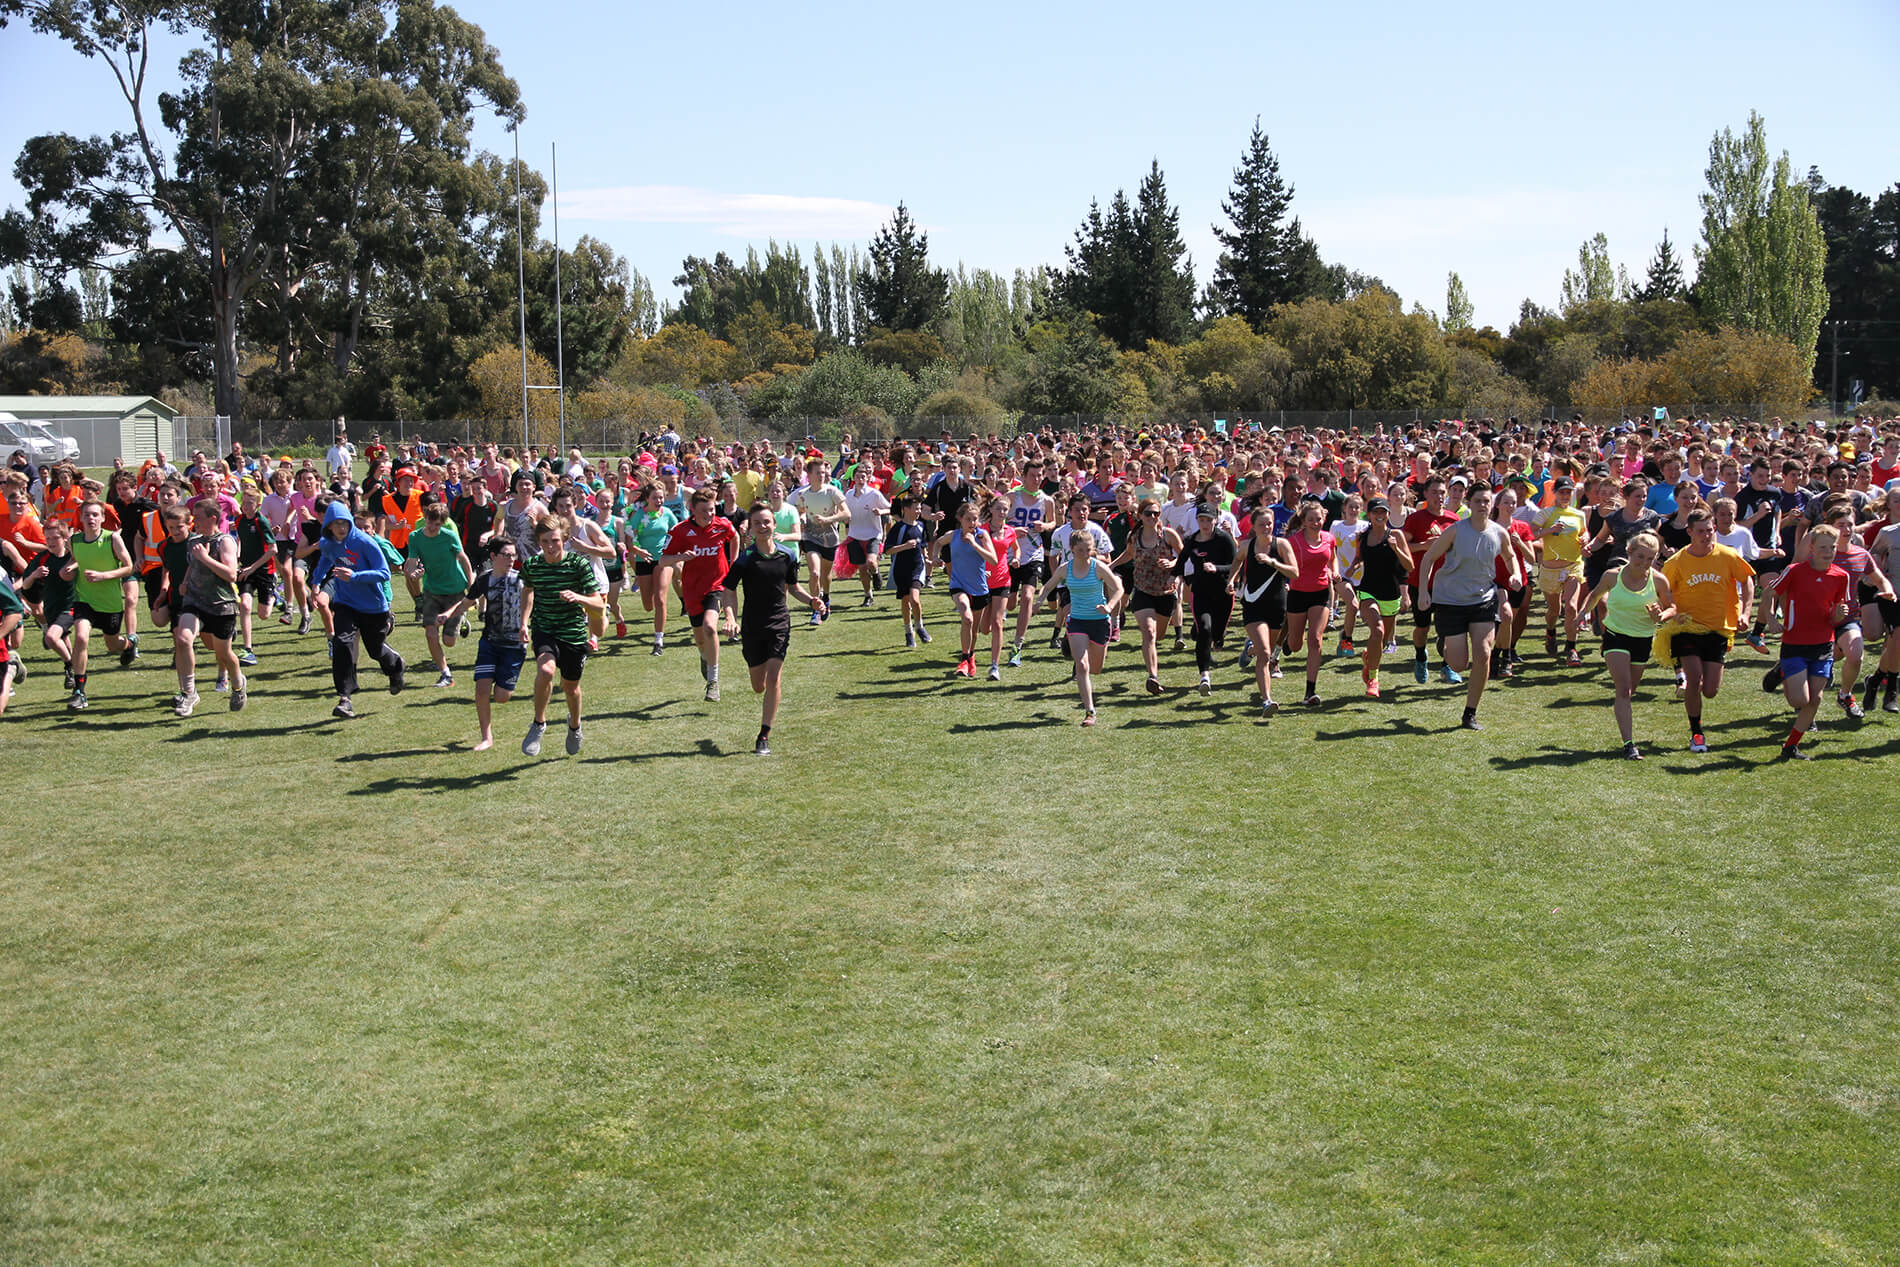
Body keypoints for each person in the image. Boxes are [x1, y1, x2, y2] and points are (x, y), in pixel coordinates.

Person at [724, 505, 826, 755]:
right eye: (757, 523)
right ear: (751, 526)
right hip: (752, 625)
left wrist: (811, 600)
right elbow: (728, 590)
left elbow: (792, 587)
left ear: (773, 524)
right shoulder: (745, 559)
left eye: (767, 522)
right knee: (758, 685)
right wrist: (729, 617)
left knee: (773, 678)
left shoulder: (787, 555)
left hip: (779, 622)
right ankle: (764, 724)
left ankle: (764, 734)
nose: (763, 526)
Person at [1415, 483, 1510, 730]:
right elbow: (1428, 558)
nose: (1483, 505)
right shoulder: (1456, 530)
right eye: (1478, 501)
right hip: (1450, 600)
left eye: (1487, 501)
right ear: (1469, 503)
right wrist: (1424, 592)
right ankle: (1444, 643)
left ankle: (1470, 713)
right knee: (1458, 664)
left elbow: (1509, 556)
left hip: (1482, 599)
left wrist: (1516, 574)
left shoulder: (1499, 532)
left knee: (1484, 654)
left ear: (1493, 504)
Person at [1660, 507, 1756, 753]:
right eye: (1700, 531)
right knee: (1694, 680)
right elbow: (1664, 589)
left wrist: (1745, 613)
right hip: (1687, 628)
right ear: (1689, 532)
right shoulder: (1677, 562)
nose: (1706, 536)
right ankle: (1696, 733)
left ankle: (1697, 713)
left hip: (1718, 629)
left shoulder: (1728, 555)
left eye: (1710, 531)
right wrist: (1669, 609)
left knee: (1711, 690)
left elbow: (1747, 580)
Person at [1580, 531, 1676, 759]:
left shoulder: (1659, 580)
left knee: (1630, 691)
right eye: (1640, 557)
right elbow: (1595, 595)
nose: (1644, 563)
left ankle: (1625, 734)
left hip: (1642, 639)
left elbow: (1672, 607)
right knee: (1623, 689)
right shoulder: (1612, 576)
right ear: (1629, 553)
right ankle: (1629, 744)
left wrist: (1660, 616)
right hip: (1615, 634)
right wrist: (1581, 615)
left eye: (1650, 559)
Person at [310, 501, 406, 719]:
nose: (341, 528)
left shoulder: (364, 542)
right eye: (335, 525)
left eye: (344, 523)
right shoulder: (328, 543)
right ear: (329, 527)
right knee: (342, 642)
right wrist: (316, 583)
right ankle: (345, 698)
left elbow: (384, 573)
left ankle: (396, 666)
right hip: (345, 603)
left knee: (375, 650)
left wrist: (355, 577)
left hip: (373, 607)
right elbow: (325, 560)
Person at [518, 516, 603, 757]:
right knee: (545, 671)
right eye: (545, 541)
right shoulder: (532, 565)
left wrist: (579, 598)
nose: (551, 546)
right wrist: (524, 622)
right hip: (545, 628)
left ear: (564, 539)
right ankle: (538, 723)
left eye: (555, 540)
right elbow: (528, 591)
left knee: (570, 688)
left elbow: (597, 602)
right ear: (539, 542)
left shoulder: (578, 565)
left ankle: (575, 726)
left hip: (573, 633)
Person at [1766, 523, 1852, 759]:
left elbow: (1834, 615)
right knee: (1799, 699)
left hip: (1824, 645)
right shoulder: (1795, 571)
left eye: (1832, 547)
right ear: (1812, 548)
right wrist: (1771, 619)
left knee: (1815, 700)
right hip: (1795, 644)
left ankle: (1790, 745)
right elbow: (1768, 593)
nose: (1828, 551)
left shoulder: (1840, 576)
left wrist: (1839, 614)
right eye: (1823, 547)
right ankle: (1782, 671)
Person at [436, 537, 525, 751]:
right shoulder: (485, 579)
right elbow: (467, 602)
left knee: (502, 697)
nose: (511, 559)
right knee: (481, 689)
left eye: (514, 555)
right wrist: (448, 614)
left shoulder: (523, 580)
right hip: (490, 643)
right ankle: (486, 737)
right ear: (493, 556)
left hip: (514, 646)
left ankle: (503, 684)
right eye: (507, 555)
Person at [658, 488, 740, 702]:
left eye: (712, 510)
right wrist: (681, 556)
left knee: (711, 627)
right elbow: (662, 560)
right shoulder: (680, 531)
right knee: (700, 640)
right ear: (692, 510)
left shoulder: (722, 525)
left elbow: (735, 537)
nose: (709, 515)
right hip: (692, 590)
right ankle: (704, 657)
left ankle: (713, 682)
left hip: (716, 586)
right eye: (704, 511)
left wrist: (734, 564)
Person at [172, 498, 250, 716]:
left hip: (221, 605)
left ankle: (237, 684)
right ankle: (189, 693)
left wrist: (205, 558)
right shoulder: (194, 541)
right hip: (195, 600)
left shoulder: (225, 541)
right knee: (183, 638)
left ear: (212, 518)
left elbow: (231, 574)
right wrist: (186, 581)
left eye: (197, 518)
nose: (193, 522)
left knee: (224, 654)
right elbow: (192, 564)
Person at [1037, 528, 1122, 726]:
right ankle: (1090, 712)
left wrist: (1109, 606)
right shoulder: (1065, 568)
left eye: (1089, 550)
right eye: (1081, 550)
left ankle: (1083, 656)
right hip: (1077, 620)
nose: (1085, 554)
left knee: (1096, 669)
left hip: (1100, 621)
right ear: (1072, 549)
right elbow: (1049, 585)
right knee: (1082, 666)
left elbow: (1118, 587)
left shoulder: (1098, 567)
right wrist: (1039, 601)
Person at [1228, 503, 1296, 714]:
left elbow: (1294, 572)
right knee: (1265, 654)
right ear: (1254, 526)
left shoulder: (1282, 545)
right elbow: (1237, 560)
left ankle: (1250, 649)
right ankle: (1267, 700)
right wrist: (1232, 580)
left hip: (1277, 605)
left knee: (1265, 646)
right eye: (1262, 525)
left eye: (1270, 524)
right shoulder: (1247, 546)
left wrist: (1273, 562)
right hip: (1253, 604)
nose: (1267, 528)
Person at [403, 502, 474, 687]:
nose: (433, 527)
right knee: (430, 632)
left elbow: (464, 559)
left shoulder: (449, 536)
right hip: (432, 590)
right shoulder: (415, 537)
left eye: (437, 524)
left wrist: (471, 585)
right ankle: (445, 673)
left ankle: (461, 618)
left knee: (449, 641)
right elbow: (411, 561)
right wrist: (412, 573)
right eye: (430, 522)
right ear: (425, 518)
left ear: (443, 523)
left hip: (455, 590)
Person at [1349, 498, 1412, 698]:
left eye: (1383, 512)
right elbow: (1360, 557)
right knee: (1377, 631)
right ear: (1369, 514)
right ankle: (1374, 680)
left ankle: (1369, 659)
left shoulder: (1396, 535)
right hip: (1368, 590)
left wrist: (1396, 548)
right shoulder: (1362, 536)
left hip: (1391, 594)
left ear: (1388, 515)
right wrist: (1353, 566)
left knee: (1381, 642)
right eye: (1376, 512)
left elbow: (1409, 565)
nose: (1380, 515)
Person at [1120, 496, 1183, 694]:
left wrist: (1172, 564)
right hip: (1143, 590)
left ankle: (1153, 667)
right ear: (1140, 515)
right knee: (1148, 632)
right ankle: (1153, 676)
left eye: (1156, 513)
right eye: (1148, 513)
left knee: (1159, 635)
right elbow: (1129, 554)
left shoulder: (1168, 535)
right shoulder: (1134, 536)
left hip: (1165, 591)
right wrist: (1110, 565)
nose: (1152, 517)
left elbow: (1184, 555)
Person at [1402, 476, 1462, 684]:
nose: (1439, 496)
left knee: (1448, 629)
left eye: (1442, 492)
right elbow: (1403, 547)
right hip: (1420, 583)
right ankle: (1421, 657)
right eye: (1435, 492)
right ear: (1426, 494)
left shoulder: (1454, 519)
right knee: (1423, 628)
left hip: (1448, 583)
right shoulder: (1416, 519)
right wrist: (1424, 546)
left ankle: (1447, 667)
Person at [1178, 502, 1238, 697]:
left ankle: (1206, 633)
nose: (1205, 524)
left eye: (1209, 520)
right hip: (1201, 591)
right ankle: (1204, 676)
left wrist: (1217, 568)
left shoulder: (1224, 539)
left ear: (1216, 520)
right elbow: (1180, 563)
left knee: (1217, 634)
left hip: (1223, 592)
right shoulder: (1192, 540)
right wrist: (1172, 577)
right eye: (1201, 520)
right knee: (1205, 630)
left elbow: (1236, 565)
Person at [1283, 500, 1337, 706]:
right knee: (1296, 646)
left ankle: (1310, 692)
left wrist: (1335, 571)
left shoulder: (1329, 538)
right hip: (1297, 594)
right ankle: (1289, 640)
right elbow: (1285, 564)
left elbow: (1333, 558)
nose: (1316, 523)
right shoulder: (1293, 542)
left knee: (1316, 639)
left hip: (1321, 593)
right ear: (1303, 521)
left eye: (1319, 519)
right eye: (1311, 520)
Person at [939, 500, 997, 679]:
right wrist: (935, 558)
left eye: (975, 520)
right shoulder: (953, 535)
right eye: (968, 520)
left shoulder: (982, 536)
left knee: (973, 629)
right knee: (966, 617)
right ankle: (964, 659)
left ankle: (971, 656)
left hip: (979, 588)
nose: (972, 523)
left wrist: (974, 544)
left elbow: (993, 560)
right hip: (958, 585)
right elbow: (939, 542)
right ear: (960, 519)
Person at [622, 482, 680, 653]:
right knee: (648, 605)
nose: (659, 500)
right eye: (655, 497)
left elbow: (675, 532)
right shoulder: (639, 515)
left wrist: (675, 554)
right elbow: (629, 540)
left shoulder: (667, 514)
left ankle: (658, 641)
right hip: (644, 561)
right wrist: (638, 550)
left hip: (663, 560)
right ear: (647, 499)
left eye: (661, 497)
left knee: (661, 599)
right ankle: (645, 586)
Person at [790, 457, 846, 614]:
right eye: (818, 473)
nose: (822, 475)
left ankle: (825, 597)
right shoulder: (802, 494)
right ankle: (816, 607)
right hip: (810, 537)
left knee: (825, 575)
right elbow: (801, 511)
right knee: (814, 572)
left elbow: (846, 513)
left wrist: (829, 519)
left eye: (823, 472)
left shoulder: (832, 491)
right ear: (809, 474)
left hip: (830, 538)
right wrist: (802, 519)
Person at [883, 494, 930, 647]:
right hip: (901, 569)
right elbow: (888, 550)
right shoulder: (899, 528)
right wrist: (905, 546)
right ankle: (908, 632)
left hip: (917, 567)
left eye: (920, 508)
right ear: (906, 509)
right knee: (905, 601)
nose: (918, 511)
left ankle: (920, 627)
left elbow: (922, 546)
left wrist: (927, 559)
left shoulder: (921, 526)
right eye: (916, 508)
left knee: (915, 600)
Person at [842, 465, 892, 606]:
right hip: (855, 535)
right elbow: (845, 512)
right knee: (862, 569)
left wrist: (880, 512)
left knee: (870, 562)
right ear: (853, 478)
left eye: (863, 477)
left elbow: (889, 508)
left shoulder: (874, 494)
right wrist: (845, 519)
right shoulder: (849, 495)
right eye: (857, 476)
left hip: (873, 534)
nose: (860, 479)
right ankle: (868, 596)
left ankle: (876, 573)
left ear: (868, 478)